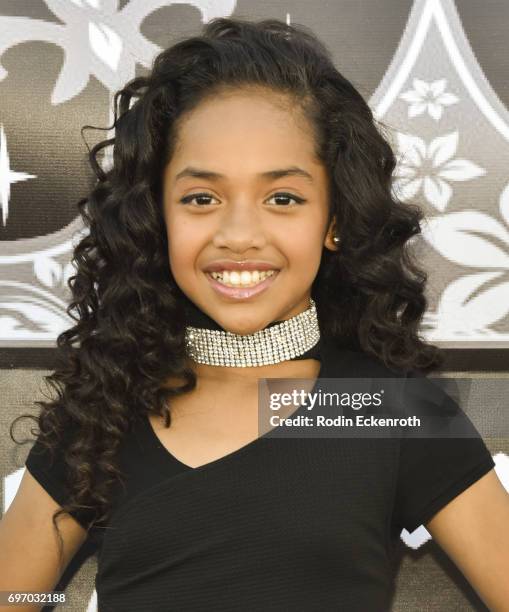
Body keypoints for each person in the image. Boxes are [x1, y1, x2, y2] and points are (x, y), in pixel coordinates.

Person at [1, 16, 508, 612]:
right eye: (201, 198)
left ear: (336, 221)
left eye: (283, 198)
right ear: (157, 219)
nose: (239, 235)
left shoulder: (381, 408)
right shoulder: (108, 408)